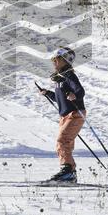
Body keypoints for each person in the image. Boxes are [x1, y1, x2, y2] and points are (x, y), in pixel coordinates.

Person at [38, 47, 86, 183]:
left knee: (62, 141)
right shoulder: (60, 79)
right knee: (65, 143)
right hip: (65, 115)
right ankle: (69, 172)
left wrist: (74, 95)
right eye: (53, 60)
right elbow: (60, 99)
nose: (54, 62)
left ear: (65, 60)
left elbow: (80, 91)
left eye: (57, 59)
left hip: (75, 113)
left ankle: (67, 171)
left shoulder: (69, 75)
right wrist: (47, 93)